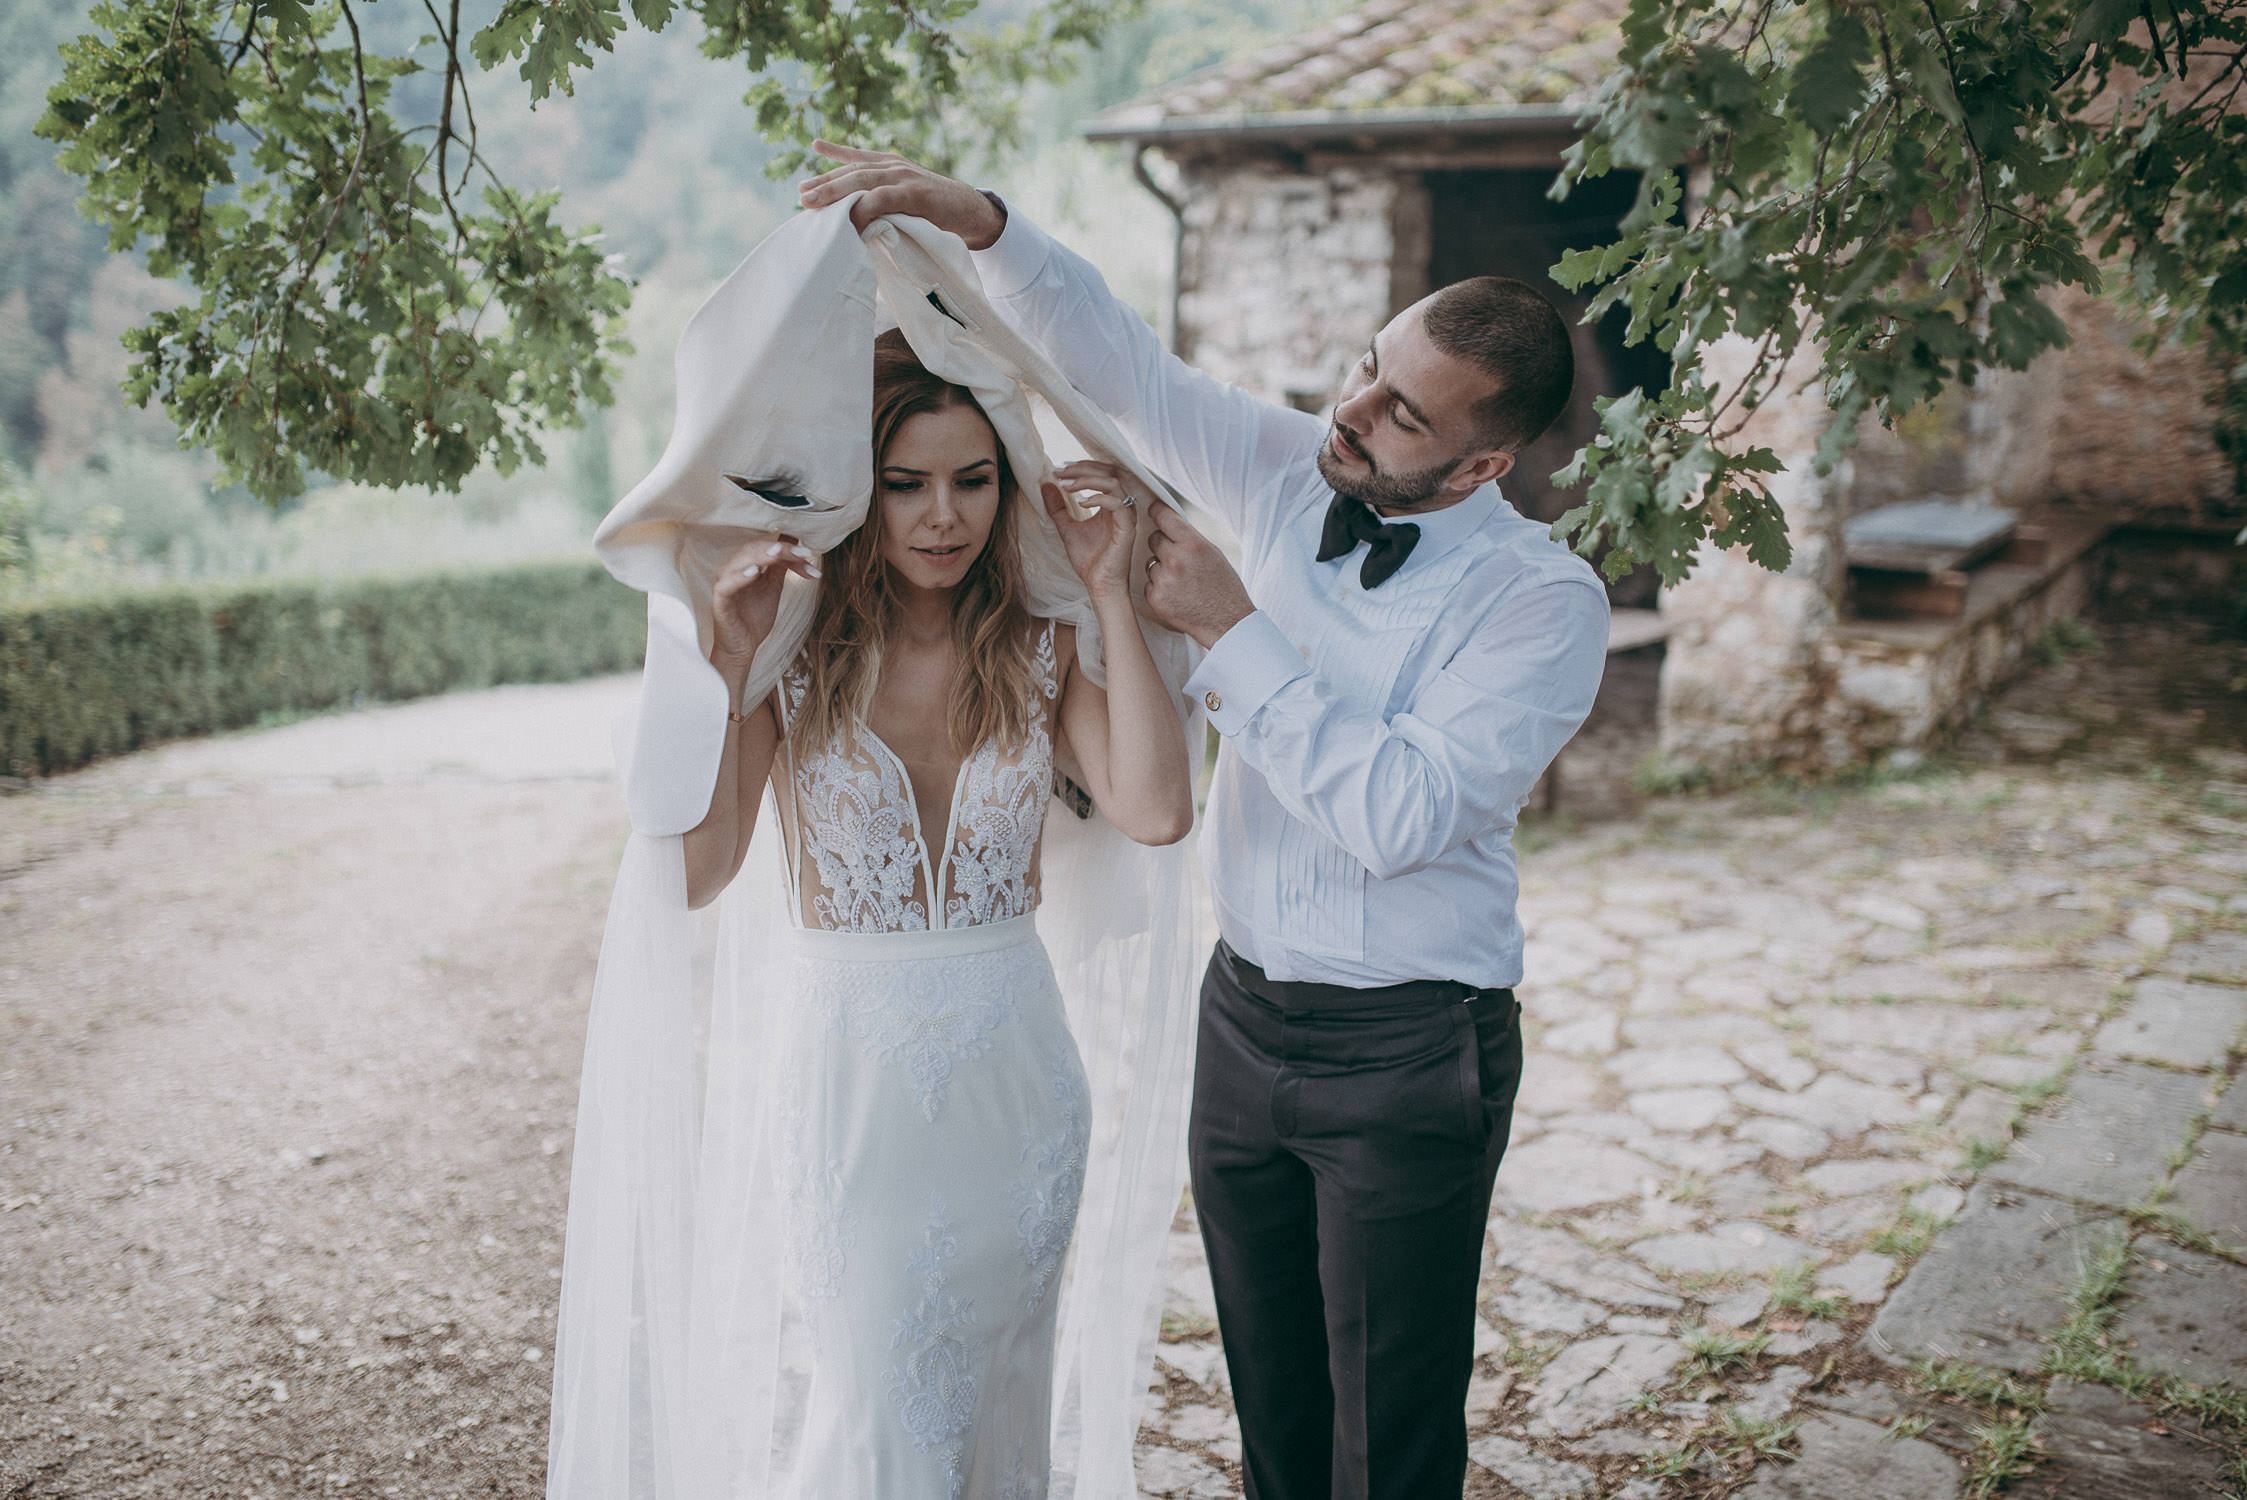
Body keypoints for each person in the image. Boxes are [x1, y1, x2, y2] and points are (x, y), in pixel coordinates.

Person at [801, 146, 1611, 1497]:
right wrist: (980, 223)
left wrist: (1231, 632)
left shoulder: (1542, 605)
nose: (1348, 412)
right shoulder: (1294, 468)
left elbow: (1400, 813)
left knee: (1387, 1435)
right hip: (1241, 1024)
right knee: (1274, 1413)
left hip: (1406, 1048)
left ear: (1479, 465)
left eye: (1401, 417)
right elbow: (1119, 368)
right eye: (1366, 366)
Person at [673, 327, 1196, 1495]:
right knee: (874, 1401)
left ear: (1005, 489)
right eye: (906, 484)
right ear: (866, 491)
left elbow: (1158, 811)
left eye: (971, 480)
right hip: (851, 1087)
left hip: (1017, 1087)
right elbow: (702, 869)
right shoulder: (793, 662)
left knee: (998, 1406)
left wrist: (1109, 586)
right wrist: (724, 657)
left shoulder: (1044, 652)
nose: (941, 517)